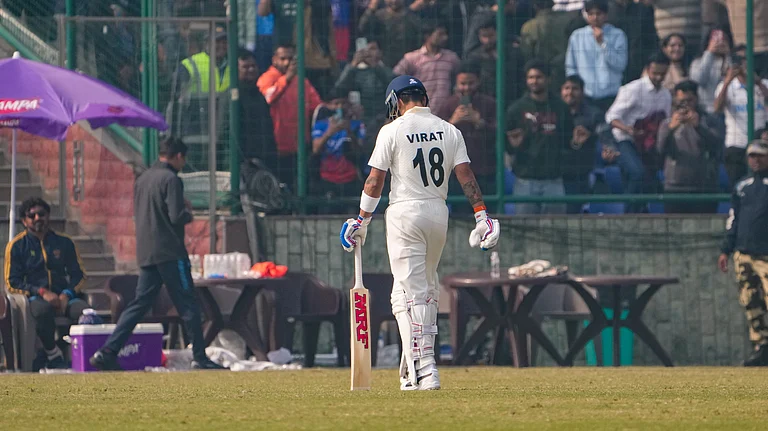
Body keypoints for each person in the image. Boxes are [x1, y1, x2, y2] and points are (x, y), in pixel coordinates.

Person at [339, 76, 500, 390]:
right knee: (415, 288)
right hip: (439, 213)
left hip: (405, 213)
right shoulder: (449, 129)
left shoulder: (392, 130)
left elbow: (374, 181)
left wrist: (361, 219)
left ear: (396, 102)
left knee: (414, 292)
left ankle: (427, 367)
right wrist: (482, 215)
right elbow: (465, 175)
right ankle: (410, 368)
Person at [90, 138, 226, 371]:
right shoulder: (171, 179)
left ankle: (108, 351)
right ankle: (199, 357)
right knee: (189, 304)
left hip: (147, 252)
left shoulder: (143, 179)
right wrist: (188, 213)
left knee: (139, 304)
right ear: (179, 156)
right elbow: (176, 216)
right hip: (171, 252)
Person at [4, 197, 88, 369]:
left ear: (48, 216)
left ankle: (76, 354)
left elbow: (79, 275)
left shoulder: (64, 242)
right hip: (35, 298)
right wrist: (42, 292)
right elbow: (12, 282)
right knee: (43, 310)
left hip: (65, 297)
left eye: (41, 214)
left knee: (85, 313)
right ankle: (52, 353)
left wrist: (67, 294)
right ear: (24, 220)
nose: (37, 218)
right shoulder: (17, 245)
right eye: (32, 215)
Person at [718, 140, 768, 366]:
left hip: (765, 254)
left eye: (760, 155)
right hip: (744, 253)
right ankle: (761, 345)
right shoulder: (742, 186)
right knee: (750, 300)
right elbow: (733, 219)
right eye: (752, 156)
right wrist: (726, 249)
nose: (755, 160)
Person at [605, 53, 672, 213]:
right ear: (648, 70)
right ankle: (629, 214)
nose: (658, 77)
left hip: (649, 144)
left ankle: (639, 212)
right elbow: (611, 117)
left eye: (662, 74)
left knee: (649, 180)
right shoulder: (633, 89)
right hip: (625, 140)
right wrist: (629, 129)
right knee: (638, 173)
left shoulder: (666, 95)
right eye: (655, 73)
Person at [506, 59, 573, 215]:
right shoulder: (516, 109)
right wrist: (514, 146)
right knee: (524, 231)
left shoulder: (560, 107)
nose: (534, 81)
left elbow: (568, 141)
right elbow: (506, 145)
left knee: (555, 231)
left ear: (548, 79)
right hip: (525, 179)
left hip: (554, 180)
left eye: (539, 77)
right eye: (530, 77)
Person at [257, 44, 324, 190]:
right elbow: (268, 96)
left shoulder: (301, 81)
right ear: (274, 59)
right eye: (282, 58)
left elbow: (317, 105)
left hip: (299, 144)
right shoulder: (267, 78)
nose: (287, 62)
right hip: (276, 145)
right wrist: (286, 78)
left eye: (290, 58)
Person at [435, 62, 497, 215]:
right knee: (461, 216)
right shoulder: (448, 105)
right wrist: (452, 122)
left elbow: (498, 135)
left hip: (484, 171)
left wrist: (480, 122)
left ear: (478, 82)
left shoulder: (489, 104)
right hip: (456, 174)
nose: (467, 88)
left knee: (488, 215)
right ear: (456, 84)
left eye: (471, 83)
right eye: (462, 84)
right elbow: (435, 138)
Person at [656, 80, 723, 214]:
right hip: (675, 187)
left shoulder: (709, 121)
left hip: (704, 187)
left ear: (696, 99)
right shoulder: (667, 123)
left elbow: (716, 146)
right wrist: (670, 129)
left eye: (689, 100)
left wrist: (699, 127)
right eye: (681, 101)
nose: (685, 105)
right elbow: (659, 150)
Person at [714, 45, 768, 188]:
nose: (743, 63)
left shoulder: (764, 84)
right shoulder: (726, 86)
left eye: (746, 59)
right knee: (737, 185)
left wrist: (758, 83)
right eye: (739, 59)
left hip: (760, 144)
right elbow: (717, 108)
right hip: (736, 144)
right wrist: (727, 81)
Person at [565, 0, 628, 112]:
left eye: (598, 13)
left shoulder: (618, 35)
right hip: (586, 96)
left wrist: (603, 44)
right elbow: (571, 67)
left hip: (611, 94)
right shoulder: (577, 36)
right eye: (590, 14)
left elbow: (620, 65)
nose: (595, 17)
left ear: (606, 15)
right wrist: (576, 91)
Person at [560, 75, 605, 214]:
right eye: (567, 88)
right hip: (555, 174)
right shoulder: (553, 111)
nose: (570, 92)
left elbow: (605, 134)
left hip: (578, 174)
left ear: (582, 91)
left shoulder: (593, 114)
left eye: (575, 88)